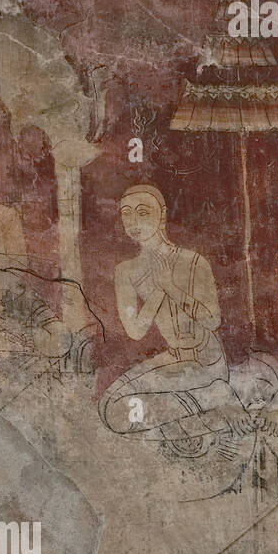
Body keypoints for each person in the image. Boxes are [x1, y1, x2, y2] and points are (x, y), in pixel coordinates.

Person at [99, 185, 233, 434]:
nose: (133, 221)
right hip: (173, 359)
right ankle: (208, 402)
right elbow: (136, 331)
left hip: (206, 359)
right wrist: (158, 291)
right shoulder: (126, 271)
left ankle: (213, 395)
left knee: (118, 412)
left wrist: (171, 286)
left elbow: (212, 320)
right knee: (111, 409)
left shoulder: (193, 261)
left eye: (142, 212)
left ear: (161, 215)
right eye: (126, 213)